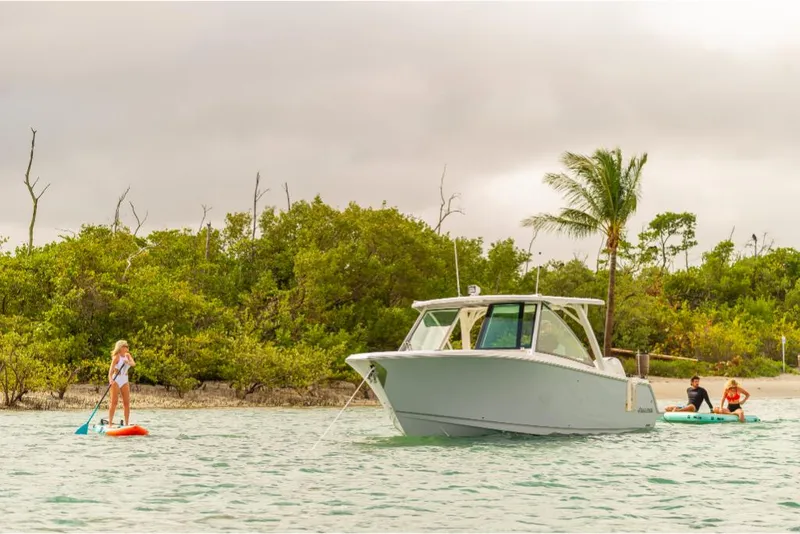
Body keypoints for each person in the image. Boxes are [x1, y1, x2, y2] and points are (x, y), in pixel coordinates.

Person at [105, 340, 136, 427]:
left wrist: (128, 362)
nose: (127, 348)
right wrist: (110, 379)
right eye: (125, 346)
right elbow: (110, 371)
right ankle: (110, 424)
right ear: (121, 347)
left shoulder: (127, 355)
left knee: (126, 403)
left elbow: (133, 364)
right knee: (114, 402)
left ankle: (126, 424)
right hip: (116, 380)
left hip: (125, 379)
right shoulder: (116, 357)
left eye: (127, 346)